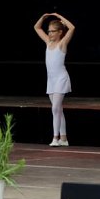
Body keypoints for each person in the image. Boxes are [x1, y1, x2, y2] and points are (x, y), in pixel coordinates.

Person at [34, 12, 75, 146]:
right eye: (49, 31)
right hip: (51, 80)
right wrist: (43, 18)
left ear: (60, 32)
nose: (50, 34)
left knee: (55, 109)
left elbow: (72, 28)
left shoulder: (62, 44)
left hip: (61, 79)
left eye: (53, 31)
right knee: (58, 109)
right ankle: (64, 139)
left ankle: (55, 138)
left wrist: (59, 16)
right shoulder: (48, 42)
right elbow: (37, 28)